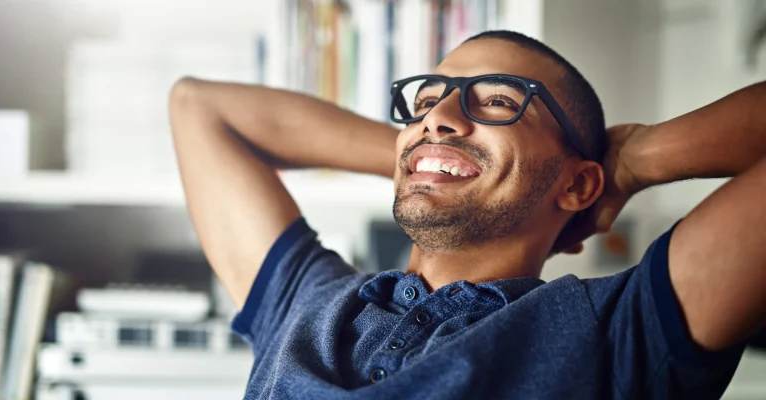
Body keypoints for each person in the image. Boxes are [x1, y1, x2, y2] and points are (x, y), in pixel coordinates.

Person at [168, 30, 765, 399]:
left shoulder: (621, 332)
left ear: (579, 183)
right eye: (426, 101)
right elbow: (198, 106)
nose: (437, 113)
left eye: (501, 101)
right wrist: (430, 152)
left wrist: (632, 161)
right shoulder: (306, 302)